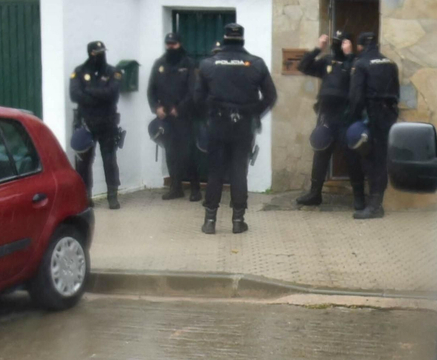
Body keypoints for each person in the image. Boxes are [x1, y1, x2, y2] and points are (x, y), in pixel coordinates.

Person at [192, 22, 276, 235]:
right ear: (242, 39)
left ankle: (210, 221)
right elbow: (270, 97)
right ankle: (238, 221)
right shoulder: (256, 63)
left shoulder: (208, 64)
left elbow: (197, 98)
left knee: (215, 172)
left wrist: (209, 115)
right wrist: (253, 112)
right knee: (239, 171)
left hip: (217, 124)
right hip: (243, 125)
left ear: (225, 38)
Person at [295, 30, 365, 210]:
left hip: (346, 116)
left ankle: (359, 197)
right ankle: (314, 193)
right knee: (321, 151)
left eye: (341, 42)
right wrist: (319, 48)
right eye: (337, 42)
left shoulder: (356, 62)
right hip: (327, 115)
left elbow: (357, 77)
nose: (338, 45)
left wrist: (349, 55)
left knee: (352, 155)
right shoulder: (327, 61)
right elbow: (303, 66)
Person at [346, 30, 399, 220]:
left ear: (360, 46)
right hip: (389, 116)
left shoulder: (360, 64)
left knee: (370, 159)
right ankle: (377, 203)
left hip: (371, 115)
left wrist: (352, 119)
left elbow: (356, 96)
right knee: (382, 159)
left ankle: (374, 206)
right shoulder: (390, 63)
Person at [147, 31, 200, 202]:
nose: (171, 46)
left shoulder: (189, 63)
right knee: (170, 152)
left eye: (174, 44)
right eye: (168, 43)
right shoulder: (160, 63)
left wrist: (181, 108)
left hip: (184, 116)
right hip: (165, 117)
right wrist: (156, 108)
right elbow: (151, 90)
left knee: (188, 153)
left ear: (180, 44)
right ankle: (176, 187)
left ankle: (195, 188)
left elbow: (194, 91)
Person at [70, 40, 124, 210]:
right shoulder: (79, 72)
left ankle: (112, 195)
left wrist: (90, 92)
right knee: (83, 163)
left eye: (102, 51)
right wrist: (100, 95)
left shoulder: (112, 72)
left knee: (109, 160)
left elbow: (112, 94)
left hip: (107, 123)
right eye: (97, 52)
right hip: (86, 123)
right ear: (90, 53)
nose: (100, 54)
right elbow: (75, 95)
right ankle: (85, 196)